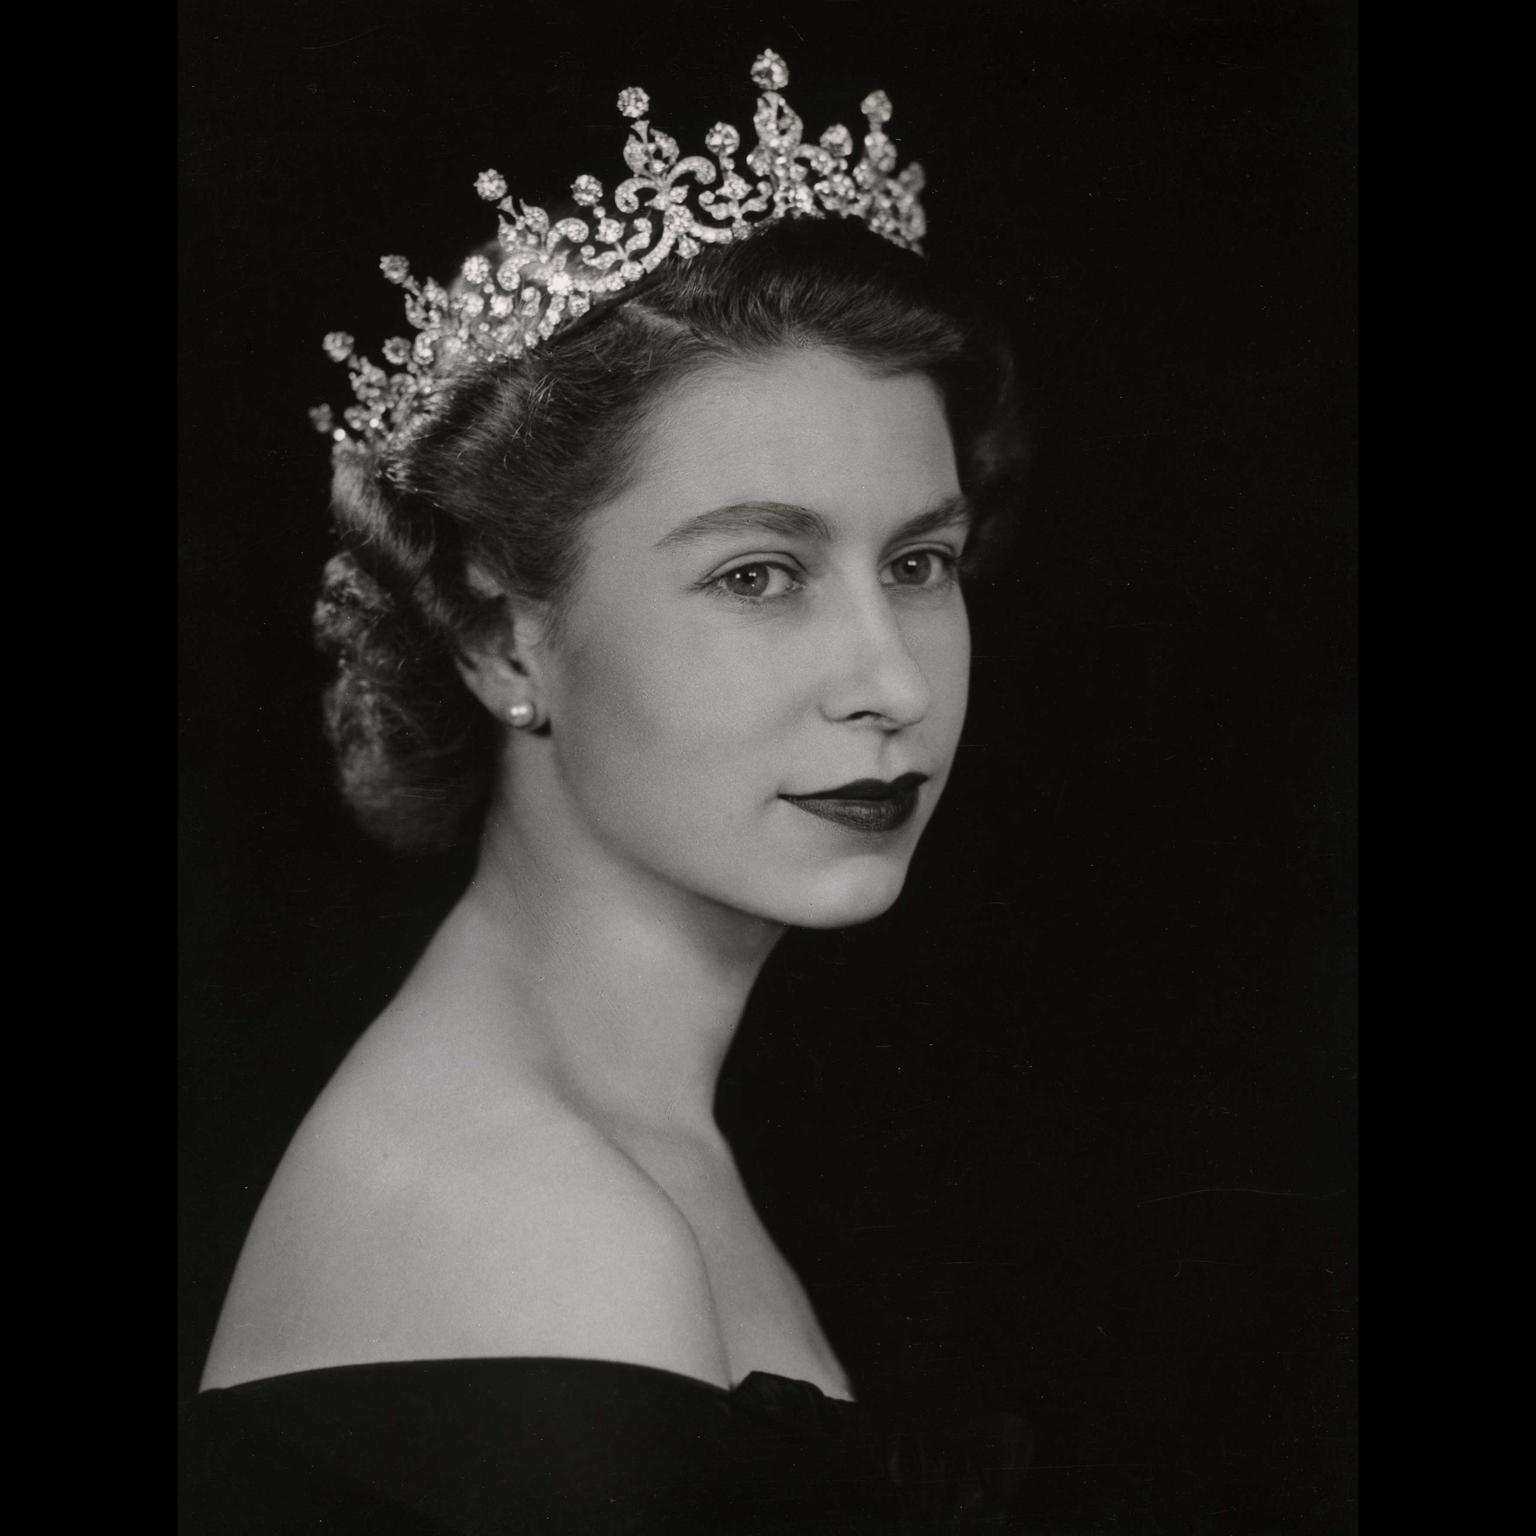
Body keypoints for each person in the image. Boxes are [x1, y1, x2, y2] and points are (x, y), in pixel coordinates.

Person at [185, 50, 1028, 1533]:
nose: (891, 682)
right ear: (502, 629)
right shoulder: (544, 1236)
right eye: (758, 575)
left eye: (920, 563)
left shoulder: (616, 1146)